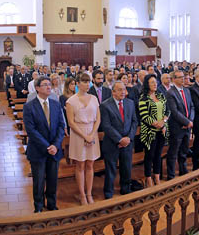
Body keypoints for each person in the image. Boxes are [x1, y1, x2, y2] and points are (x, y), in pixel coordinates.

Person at [23, 76, 66, 212]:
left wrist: (56, 145)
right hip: (38, 150)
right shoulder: (29, 106)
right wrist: (48, 146)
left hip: (54, 149)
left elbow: (61, 125)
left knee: (53, 180)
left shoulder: (55, 104)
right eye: (45, 85)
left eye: (49, 84)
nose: (49, 87)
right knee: (39, 181)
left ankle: (52, 204)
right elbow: (31, 130)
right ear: (37, 88)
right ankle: (39, 207)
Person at [66, 73, 101, 205]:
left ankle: (89, 193)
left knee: (90, 164)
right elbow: (71, 122)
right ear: (78, 83)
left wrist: (92, 134)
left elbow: (98, 119)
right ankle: (82, 195)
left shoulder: (94, 98)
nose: (88, 84)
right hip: (78, 133)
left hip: (92, 132)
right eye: (84, 82)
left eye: (89, 82)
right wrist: (85, 136)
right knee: (80, 165)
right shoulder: (71, 101)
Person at [100, 81, 138, 198]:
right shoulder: (105, 105)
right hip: (112, 143)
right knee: (111, 170)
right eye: (120, 90)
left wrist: (128, 138)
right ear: (113, 92)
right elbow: (106, 126)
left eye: (124, 89)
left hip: (127, 143)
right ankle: (109, 193)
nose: (123, 92)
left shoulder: (130, 103)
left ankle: (125, 190)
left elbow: (134, 122)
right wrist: (119, 139)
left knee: (126, 168)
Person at [139, 74, 169, 186]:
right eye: (152, 82)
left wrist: (164, 122)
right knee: (149, 155)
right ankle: (148, 178)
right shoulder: (143, 98)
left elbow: (168, 111)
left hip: (162, 131)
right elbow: (144, 115)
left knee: (158, 155)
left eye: (156, 82)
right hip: (149, 132)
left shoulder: (160, 95)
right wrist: (159, 125)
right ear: (147, 84)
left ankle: (157, 176)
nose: (155, 84)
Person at [166, 70, 194, 177]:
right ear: (174, 79)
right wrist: (186, 122)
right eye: (180, 77)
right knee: (173, 152)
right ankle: (171, 174)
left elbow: (191, 106)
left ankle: (183, 170)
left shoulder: (186, 90)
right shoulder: (170, 93)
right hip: (177, 127)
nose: (183, 79)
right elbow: (174, 111)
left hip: (187, 126)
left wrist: (190, 121)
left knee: (184, 150)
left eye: (183, 77)